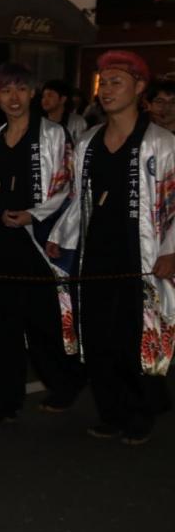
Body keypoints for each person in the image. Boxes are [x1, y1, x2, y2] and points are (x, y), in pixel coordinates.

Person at [48, 50, 174, 445]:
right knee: (98, 333)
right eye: (103, 83)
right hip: (96, 253)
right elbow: (79, 200)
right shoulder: (88, 141)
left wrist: (170, 249)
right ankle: (110, 411)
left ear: (140, 88)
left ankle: (139, 412)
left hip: (142, 255)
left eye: (117, 82)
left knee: (135, 334)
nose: (106, 90)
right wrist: (61, 235)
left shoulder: (162, 143)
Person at [0, 64, 82, 428]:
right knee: (2, 323)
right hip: (2, 242)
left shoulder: (54, 134)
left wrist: (34, 216)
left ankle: (64, 383)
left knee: (45, 320)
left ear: (33, 92)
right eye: (6, 91)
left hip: (39, 241)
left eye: (21, 89)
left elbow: (68, 185)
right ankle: (4, 401)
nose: (14, 97)